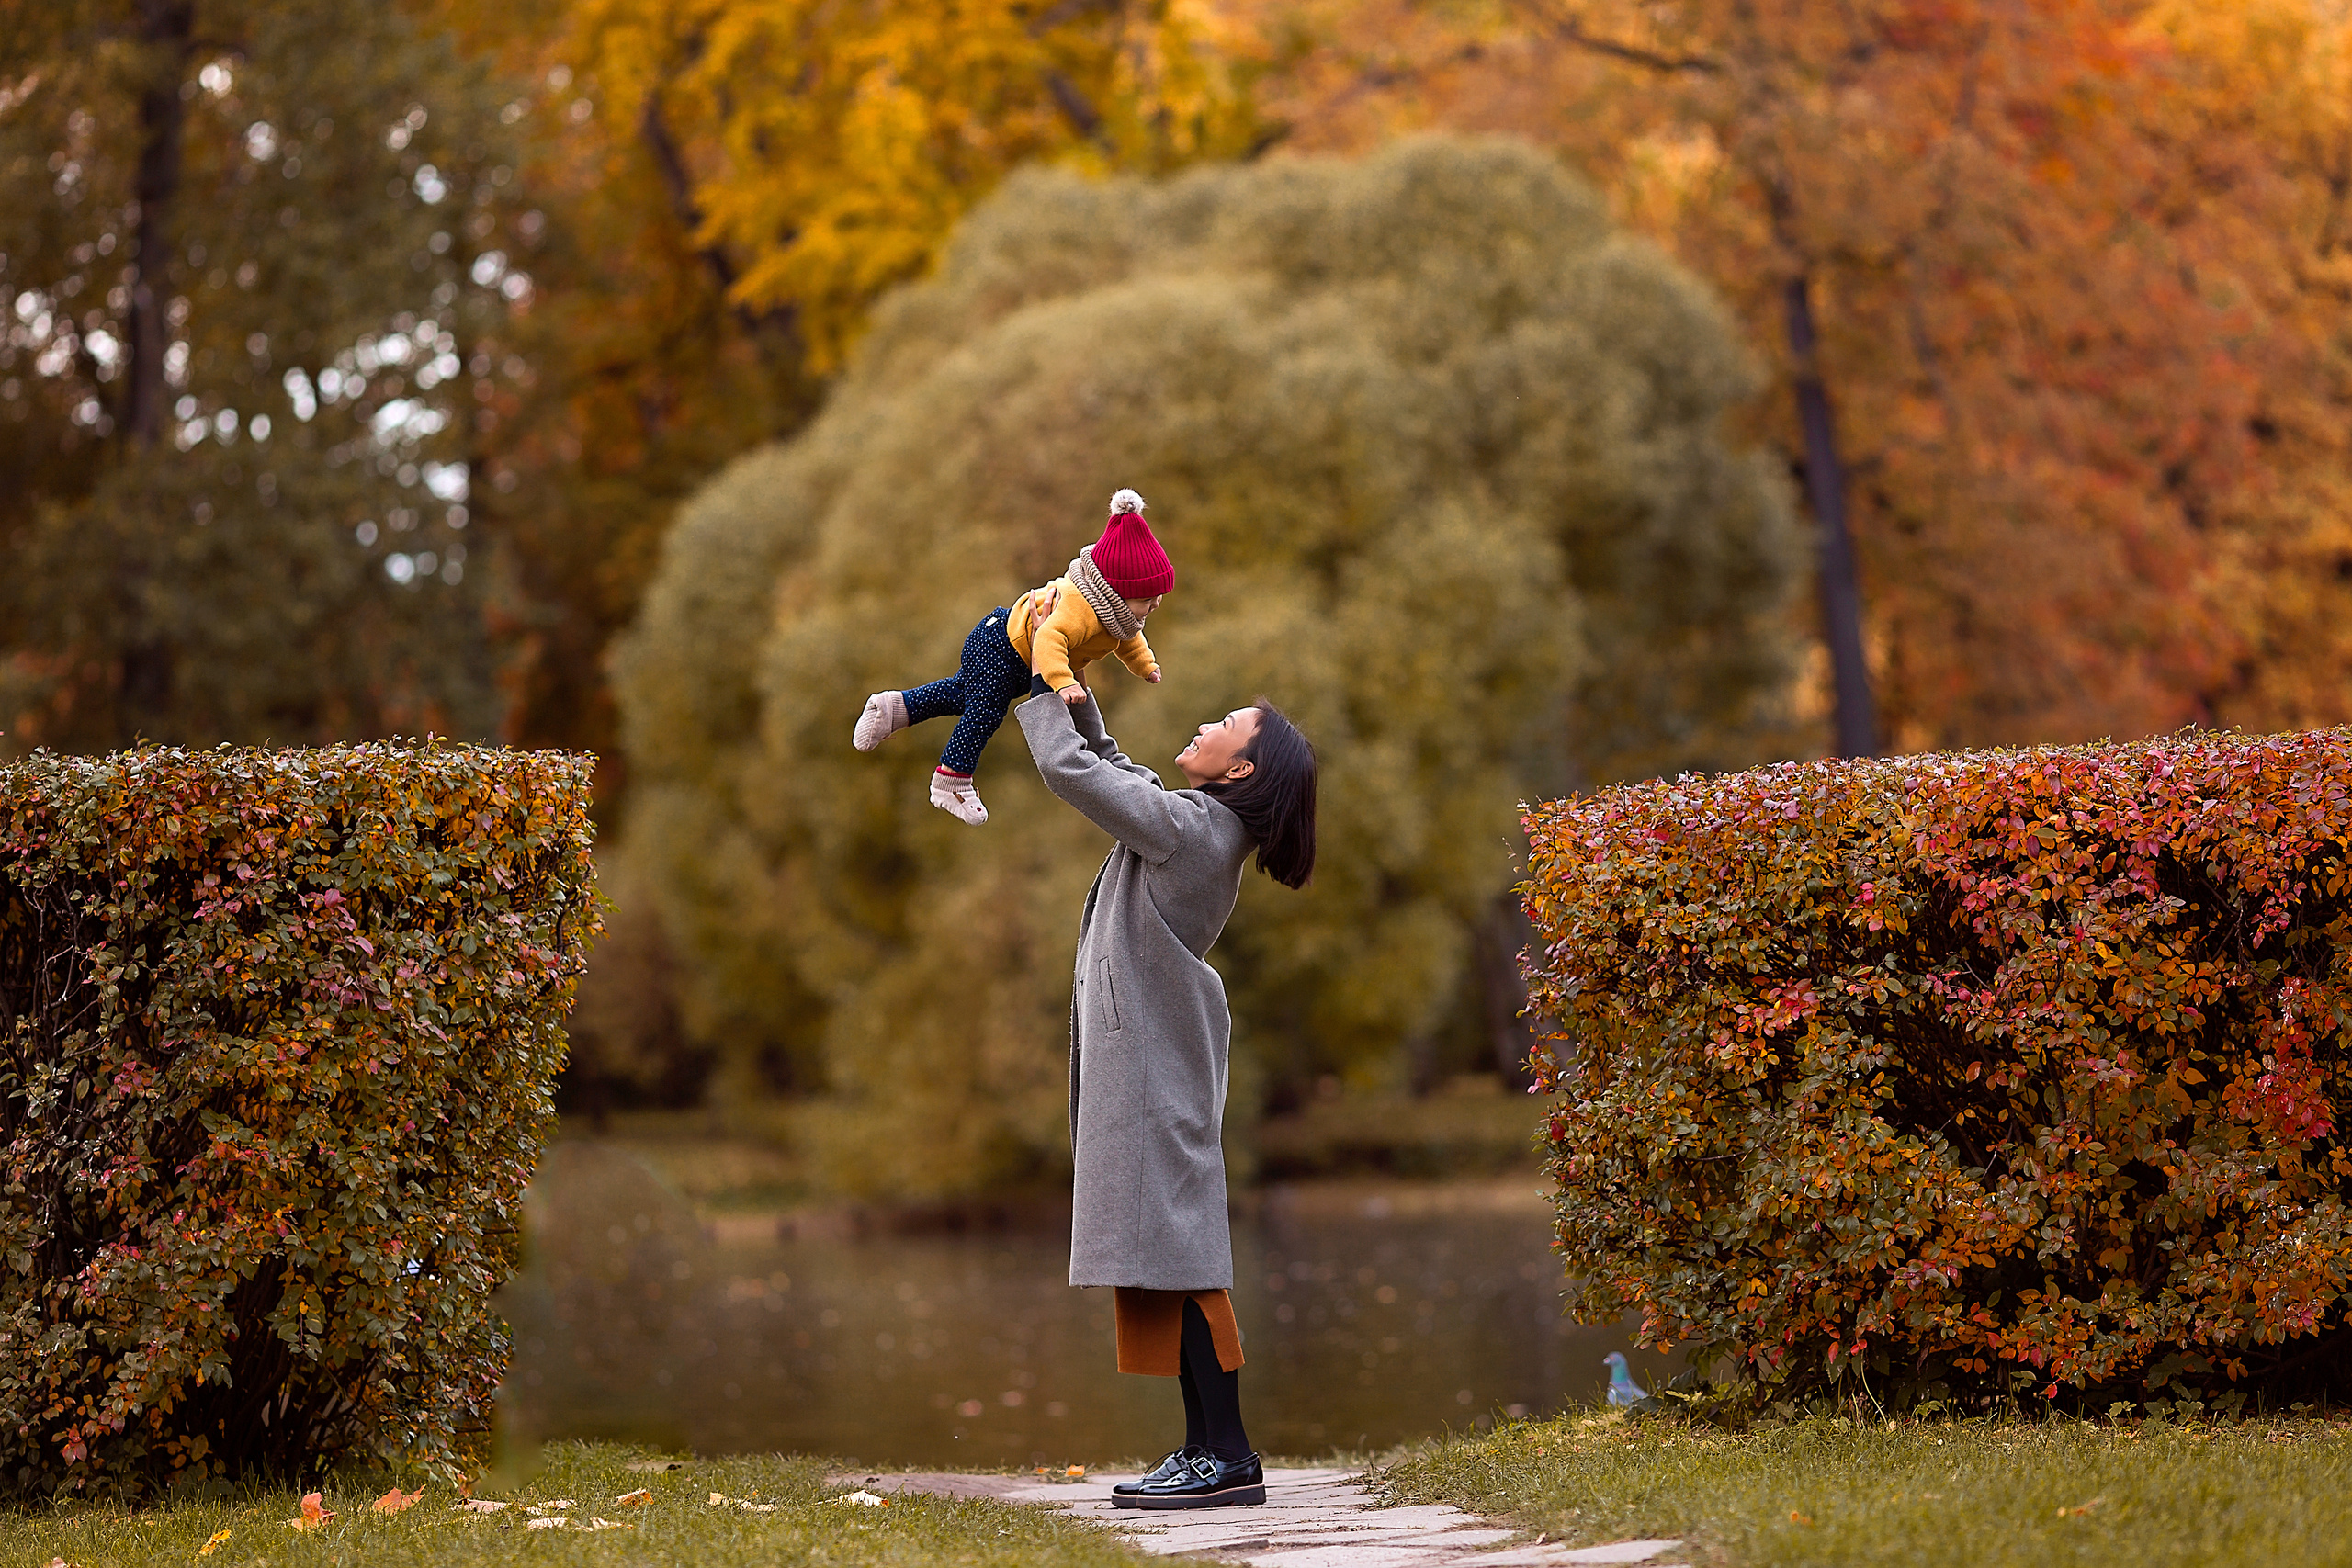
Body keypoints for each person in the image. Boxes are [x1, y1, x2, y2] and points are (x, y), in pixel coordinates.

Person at [1013, 585, 1318, 1511]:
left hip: (1152, 1066)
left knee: (1182, 1256)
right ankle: (1206, 1451)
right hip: (1146, 1061)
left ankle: (1225, 1454)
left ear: (1240, 773)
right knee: (1167, 1252)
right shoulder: (1195, 823)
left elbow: (1080, 778)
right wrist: (1072, 689)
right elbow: (1117, 770)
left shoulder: (1192, 831)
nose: (1205, 720)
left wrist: (1036, 680)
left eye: (1229, 723)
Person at [852, 489, 1172, 825]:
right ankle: (952, 779)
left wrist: (1145, 666)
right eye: (1147, 597)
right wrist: (1063, 682)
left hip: (1015, 656)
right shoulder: (1079, 607)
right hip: (1000, 644)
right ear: (1116, 590)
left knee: (961, 694)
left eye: (1159, 596)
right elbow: (1048, 637)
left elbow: (1130, 640)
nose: (1155, 604)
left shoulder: (1117, 616)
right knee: (986, 709)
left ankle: (894, 708)